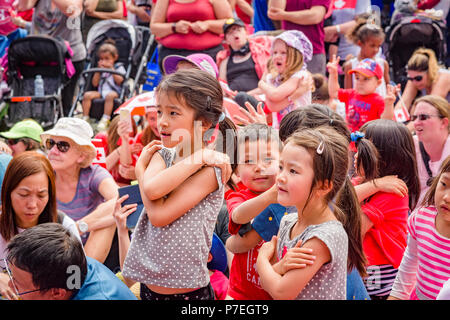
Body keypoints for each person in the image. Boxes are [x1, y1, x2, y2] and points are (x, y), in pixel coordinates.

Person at [121, 69, 236, 300]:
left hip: (189, 292)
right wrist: (200, 156)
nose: (162, 121)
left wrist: (140, 170)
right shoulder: (162, 154)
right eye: (160, 111)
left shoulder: (210, 170)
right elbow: (153, 190)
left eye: (173, 113)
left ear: (203, 123)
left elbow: (158, 213)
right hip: (149, 286)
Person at [256, 126, 360, 299]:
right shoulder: (288, 222)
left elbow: (281, 291)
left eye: (293, 171)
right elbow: (268, 280)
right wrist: (279, 267)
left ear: (323, 186)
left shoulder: (324, 236)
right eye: (281, 167)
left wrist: (261, 259)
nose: (280, 177)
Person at [353, 119, 420, 299]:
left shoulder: (394, 194)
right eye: (358, 148)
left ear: (384, 160)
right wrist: (375, 184)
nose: (356, 155)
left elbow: (353, 228)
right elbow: (336, 198)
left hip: (381, 286)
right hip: (363, 276)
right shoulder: (364, 184)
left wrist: (375, 186)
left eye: (364, 151)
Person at [40, 117, 119, 268]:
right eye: (51, 143)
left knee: (110, 216)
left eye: (63, 146)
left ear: (81, 155)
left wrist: (78, 228)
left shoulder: (92, 174)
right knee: (108, 214)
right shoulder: (43, 174)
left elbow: (121, 199)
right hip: (53, 250)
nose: (53, 151)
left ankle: (83, 274)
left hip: (87, 250)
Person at [0, 152, 80, 300]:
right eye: (24, 194)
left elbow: (75, 281)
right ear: (7, 192)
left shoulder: (65, 227)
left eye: (41, 195)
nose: (32, 205)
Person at [3, 223, 137, 300]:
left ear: (56, 293)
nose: (9, 284)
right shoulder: (72, 266)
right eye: (9, 273)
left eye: (18, 285)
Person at [225, 123, 282, 300]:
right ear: (236, 170)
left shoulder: (292, 196)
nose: (259, 167)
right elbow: (238, 215)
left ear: (282, 162)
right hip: (241, 293)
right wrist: (270, 197)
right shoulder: (238, 196)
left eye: (267, 159)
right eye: (248, 161)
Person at [387, 155, 450, 300]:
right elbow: (410, 261)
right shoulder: (421, 218)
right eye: (444, 184)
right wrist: (396, 296)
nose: (447, 197)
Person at [16, 0, 86, 117]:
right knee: (39, 100)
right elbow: (22, 6)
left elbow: (72, 10)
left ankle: (62, 130)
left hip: (69, 58)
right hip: (41, 56)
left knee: (64, 104)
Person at [150, 0, 233, 71]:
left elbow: (230, 22)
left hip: (207, 54)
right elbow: (154, 28)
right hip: (172, 55)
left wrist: (208, 25)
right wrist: (174, 27)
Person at [257, 30, 314, 128]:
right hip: (280, 130)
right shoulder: (272, 78)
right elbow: (272, 107)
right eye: (274, 52)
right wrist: (294, 96)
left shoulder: (301, 76)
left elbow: (275, 95)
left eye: (283, 53)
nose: (277, 56)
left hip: (300, 129)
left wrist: (261, 84)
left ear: (295, 56)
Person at [328, 55, 394, 132]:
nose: (360, 82)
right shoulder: (351, 93)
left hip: (368, 141)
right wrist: (333, 74)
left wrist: (389, 105)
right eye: (357, 78)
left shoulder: (379, 100)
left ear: (378, 83)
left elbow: (386, 121)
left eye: (366, 79)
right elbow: (334, 92)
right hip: (350, 139)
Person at [268, 0, 331, 75]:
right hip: (286, 53)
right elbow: (274, 12)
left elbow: (315, 16)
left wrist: (284, 15)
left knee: (312, 85)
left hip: (312, 52)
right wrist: (284, 15)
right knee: (282, 85)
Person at [216, 18, 272, 95]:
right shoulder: (224, 60)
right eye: (230, 32)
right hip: (233, 101)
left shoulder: (260, 52)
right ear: (226, 40)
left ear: (246, 33)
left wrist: (244, 96)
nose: (235, 33)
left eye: (238, 30)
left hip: (258, 97)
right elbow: (223, 88)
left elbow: (268, 84)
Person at [411, 95, 450, 204]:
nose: (416, 123)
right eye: (414, 118)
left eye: (423, 117)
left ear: (444, 122)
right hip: (415, 218)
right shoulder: (411, 145)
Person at [82, 39, 126, 132]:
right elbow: (95, 83)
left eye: (107, 59)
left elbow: (120, 81)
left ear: (115, 58)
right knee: (87, 95)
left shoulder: (119, 67)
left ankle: (105, 119)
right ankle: (85, 118)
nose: (103, 61)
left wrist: (111, 69)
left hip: (114, 91)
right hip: (101, 91)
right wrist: (98, 71)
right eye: (101, 59)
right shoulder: (100, 69)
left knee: (109, 96)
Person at [343, 14, 389, 97]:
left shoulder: (383, 64)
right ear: (360, 43)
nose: (376, 50)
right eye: (372, 45)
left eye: (378, 46)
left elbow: (388, 89)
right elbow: (348, 94)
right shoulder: (350, 66)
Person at [395, 48, 450, 113]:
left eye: (418, 78)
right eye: (410, 78)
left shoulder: (444, 77)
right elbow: (403, 104)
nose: (414, 82)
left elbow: (430, 107)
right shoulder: (414, 78)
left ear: (429, 72)